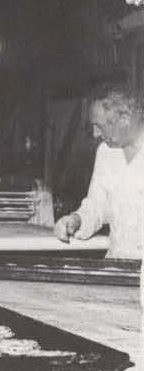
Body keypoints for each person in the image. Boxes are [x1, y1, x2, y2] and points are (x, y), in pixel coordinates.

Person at [54, 74, 144, 258]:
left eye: (99, 126)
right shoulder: (106, 152)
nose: (95, 134)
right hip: (116, 264)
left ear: (125, 118)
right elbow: (97, 204)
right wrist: (76, 220)